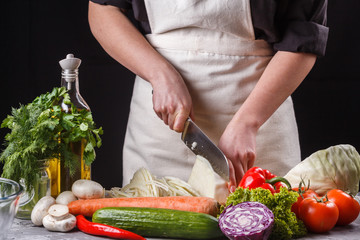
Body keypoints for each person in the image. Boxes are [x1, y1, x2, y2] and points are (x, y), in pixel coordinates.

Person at [88, 0, 329, 200]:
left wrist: (249, 122)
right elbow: (103, 10)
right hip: (160, 133)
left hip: (258, 126)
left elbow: (304, 35)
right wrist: (160, 75)